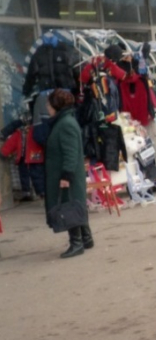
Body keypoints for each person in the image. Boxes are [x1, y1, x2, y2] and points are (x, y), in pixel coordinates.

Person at [44, 89, 93, 258]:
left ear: (56, 105)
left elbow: (71, 152)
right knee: (75, 203)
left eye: (49, 104)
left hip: (67, 174)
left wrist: (66, 176)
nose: (47, 107)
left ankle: (77, 242)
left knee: (70, 205)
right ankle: (86, 238)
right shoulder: (65, 121)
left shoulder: (65, 124)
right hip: (68, 173)